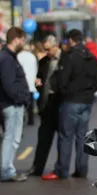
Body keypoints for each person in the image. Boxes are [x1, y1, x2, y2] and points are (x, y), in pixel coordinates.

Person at [42, 29, 97, 180]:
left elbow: (62, 81)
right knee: (82, 136)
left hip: (71, 100)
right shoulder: (91, 58)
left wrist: (65, 92)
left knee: (66, 136)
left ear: (71, 41)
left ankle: (62, 169)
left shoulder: (69, 57)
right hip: (86, 101)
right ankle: (81, 170)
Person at [26, 35, 64, 177]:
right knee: (43, 139)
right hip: (46, 105)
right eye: (44, 49)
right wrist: (38, 84)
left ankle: (61, 168)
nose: (46, 52)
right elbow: (39, 79)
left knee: (63, 140)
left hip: (60, 105)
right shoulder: (43, 61)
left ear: (56, 46)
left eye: (48, 49)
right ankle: (37, 168)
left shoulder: (64, 60)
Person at [0, 27, 31, 182]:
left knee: (12, 138)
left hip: (12, 104)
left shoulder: (9, 57)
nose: (24, 43)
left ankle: (7, 168)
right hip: (12, 105)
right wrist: (21, 99)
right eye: (23, 40)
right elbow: (9, 84)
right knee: (11, 138)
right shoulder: (6, 58)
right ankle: (6, 170)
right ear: (16, 39)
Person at [17, 43, 38, 126]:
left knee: (21, 104)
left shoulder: (19, 56)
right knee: (30, 104)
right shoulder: (32, 56)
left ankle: (22, 119)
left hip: (22, 83)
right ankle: (31, 119)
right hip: (31, 82)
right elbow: (36, 68)